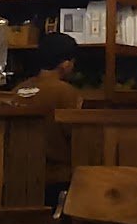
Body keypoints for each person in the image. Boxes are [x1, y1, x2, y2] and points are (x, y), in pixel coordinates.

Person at [16, 31, 85, 187]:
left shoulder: (18, 90)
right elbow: (78, 137)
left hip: (19, 176)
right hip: (58, 179)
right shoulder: (66, 92)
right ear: (65, 64)